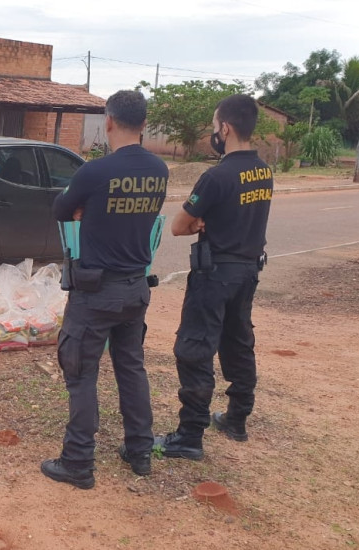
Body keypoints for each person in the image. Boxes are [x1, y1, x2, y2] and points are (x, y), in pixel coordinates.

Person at [42, 90, 168, 489]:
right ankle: (140, 451)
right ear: (144, 124)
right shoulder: (160, 170)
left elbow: (62, 210)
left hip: (95, 293)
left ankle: (78, 461)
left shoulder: (95, 172)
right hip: (135, 288)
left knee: (80, 373)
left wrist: (86, 207)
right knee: (131, 369)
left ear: (108, 121)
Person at [156, 94, 273, 460]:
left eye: (213, 126)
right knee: (238, 343)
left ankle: (190, 435)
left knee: (194, 350)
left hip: (214, 275)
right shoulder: (264, 172)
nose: (213, 133)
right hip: (247, 272)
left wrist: (199, 222)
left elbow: (178, 226)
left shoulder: (216, 176)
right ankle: (237, 419)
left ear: (225, 128)